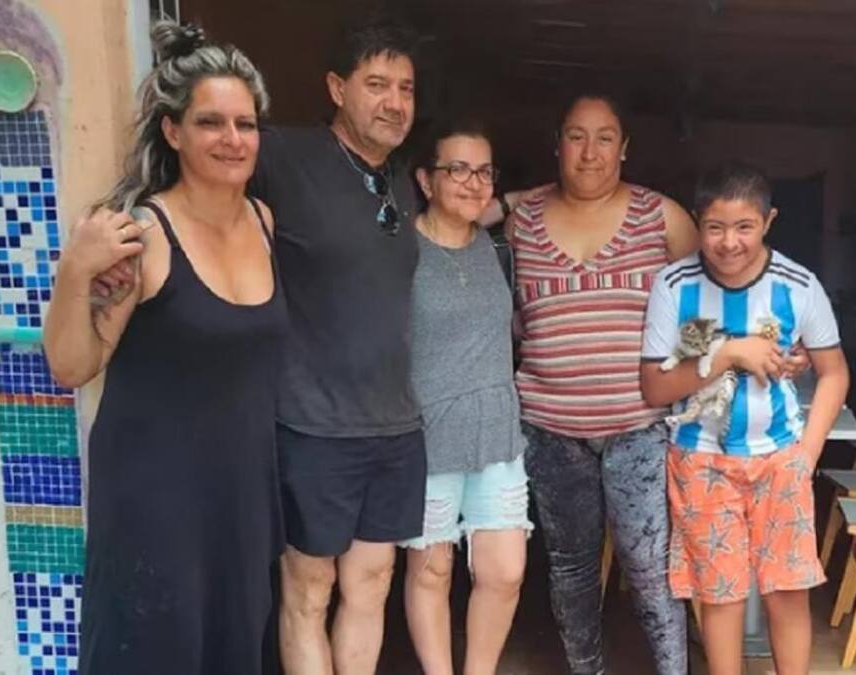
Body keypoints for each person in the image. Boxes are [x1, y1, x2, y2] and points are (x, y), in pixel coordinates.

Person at [44, 23, 284, 674]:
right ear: (173, 131)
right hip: (156, 503)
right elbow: (72, 363)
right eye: (211, 122)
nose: (233, 140)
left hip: (239, 499)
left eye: (246, 123)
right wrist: (74, 271)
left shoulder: (264, 223)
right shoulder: (142, 235)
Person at [246, 19, 425, 675]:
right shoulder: (282, 158)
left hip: (396, 423)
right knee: (308, 590)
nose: (394, 101)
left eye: (405, 88)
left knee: (371, 582)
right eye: (376, 84)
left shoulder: (404, 181)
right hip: (312, 424)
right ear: (335, 88)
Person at [502, 92, 699, 675]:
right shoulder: (521, 223)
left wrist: (683, 391)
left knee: (649, 567)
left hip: (639, 428)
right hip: (548, 430)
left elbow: (703, 310)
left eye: (605, 137)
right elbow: (507, 315)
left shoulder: (663, 217)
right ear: (557, 146)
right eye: (576, 136)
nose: (590, 152)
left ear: (625, 148)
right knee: (571, 568)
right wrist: (506, 197)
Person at [640, 162, 851, 675]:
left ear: (769, 221)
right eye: (714, 227)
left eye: (744, 227)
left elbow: (834, 373)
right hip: (700, 461)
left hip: (780, 460)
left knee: (787, 592)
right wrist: (729, 353)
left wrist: (807, 453)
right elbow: (656, 386)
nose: (728, 242)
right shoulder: (675, 285)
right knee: (721, 596)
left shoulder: (799, 287)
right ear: (697, 222)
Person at [401, 121, 532, 675]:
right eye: (457, 169)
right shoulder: (398, 248)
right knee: (432, 570)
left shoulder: (497, 245)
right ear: (426, 180)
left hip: (497, 432)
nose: (472, 183)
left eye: (483, 171)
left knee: (503, 572)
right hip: (427, 434)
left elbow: (517, 204)